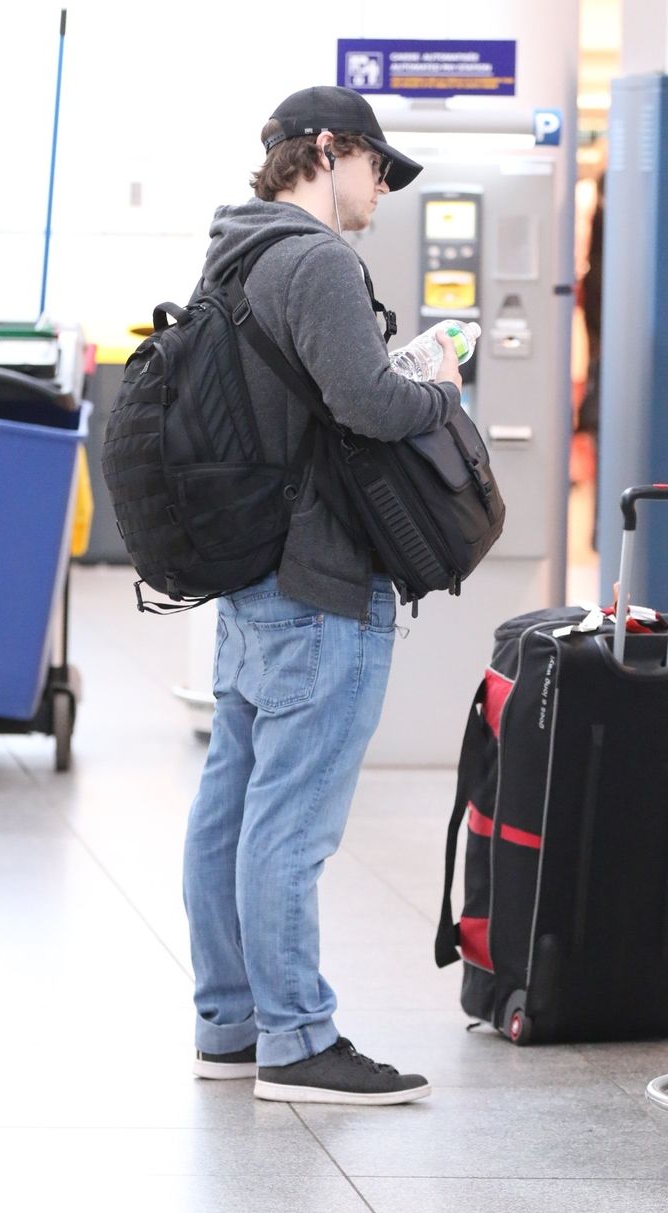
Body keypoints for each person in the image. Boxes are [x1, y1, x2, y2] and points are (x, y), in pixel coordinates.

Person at [182, 85, 462, 1105]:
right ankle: (297, 1042)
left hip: (250, 572)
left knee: (231, 805)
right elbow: (369, 403)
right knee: (289, 824)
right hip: (323, 580)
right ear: (330, 151)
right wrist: (438, 385)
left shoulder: (234, 251)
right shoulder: (317, 261)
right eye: (378, 169)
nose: (380, 191)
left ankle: (231, 1021)